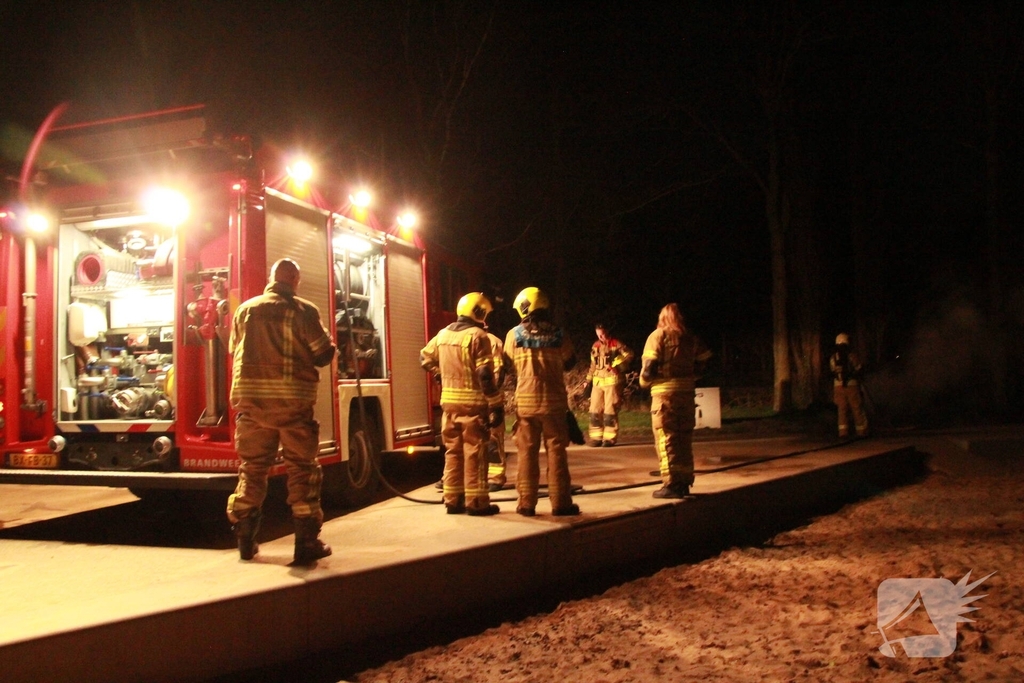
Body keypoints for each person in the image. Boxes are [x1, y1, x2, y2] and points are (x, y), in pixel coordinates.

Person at [226, 258, 337, 564]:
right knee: (302, 470)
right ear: (295, 281)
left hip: (252, 407)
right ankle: (305, 543)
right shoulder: (303, 311)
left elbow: (236, 349)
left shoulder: (245, 310)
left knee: (252, 470)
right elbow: (323, 355)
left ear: (272, 278)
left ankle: (246, 540)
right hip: (292, 407)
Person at [421, 293, 504, 516]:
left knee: (453, 452)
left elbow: (425, 359)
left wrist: (440, 374)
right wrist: (496, 404)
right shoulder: (478, 336)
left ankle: (452, 499)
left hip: (449, 405)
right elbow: (485, 375)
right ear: (479, 312)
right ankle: (476, 503)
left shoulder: (442, 335)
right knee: (474, 453)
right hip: (473, 407)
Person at [503, 287, 580, 517]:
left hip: (526, 405)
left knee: (527, 453)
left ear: (524, 307)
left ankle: (526, 504)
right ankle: (561, 504)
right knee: (557, 453)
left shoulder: (513, 335)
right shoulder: (559, 334)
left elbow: (507, 366)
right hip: (554, 405)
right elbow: (570, 363)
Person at [639, 303, 712, 499]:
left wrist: (644, 383)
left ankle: (671, 483)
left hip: (664, 397)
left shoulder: (658, 336)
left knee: (666, 439)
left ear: (663, 317)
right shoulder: (691, 338)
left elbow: (649, 368)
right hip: (687, 396)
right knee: (684, 439)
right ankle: (684, 482)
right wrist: (690, 377)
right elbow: (705, 362)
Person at [585, 323, 634, 447]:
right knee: (594, 410)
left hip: (613, 382)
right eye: (598, 335)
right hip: (598, 382)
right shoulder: (595, 346)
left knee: (610, 411)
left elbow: (629, 355)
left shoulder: (616, 344)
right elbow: (593, 365)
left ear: (607, 332)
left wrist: (615, 364)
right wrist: (587, 381)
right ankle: (596, 438)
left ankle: (609, 438)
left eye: (602, 334)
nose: (601, 337)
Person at [485, 330, 511, 492]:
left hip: (487, 399)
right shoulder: (492, 341)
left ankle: (495, 477)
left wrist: (492, 396)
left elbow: (499, 371)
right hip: (471, 399)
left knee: (493, 439)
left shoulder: (492, 342)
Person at [830, 333, 869, 438]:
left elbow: (832, 372)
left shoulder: (833, 357)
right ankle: (862, 432)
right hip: (852, 386)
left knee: (842, 410)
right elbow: (859, 369)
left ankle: (843, 432)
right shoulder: (852, 355)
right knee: (857, 408)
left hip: (838, 387)